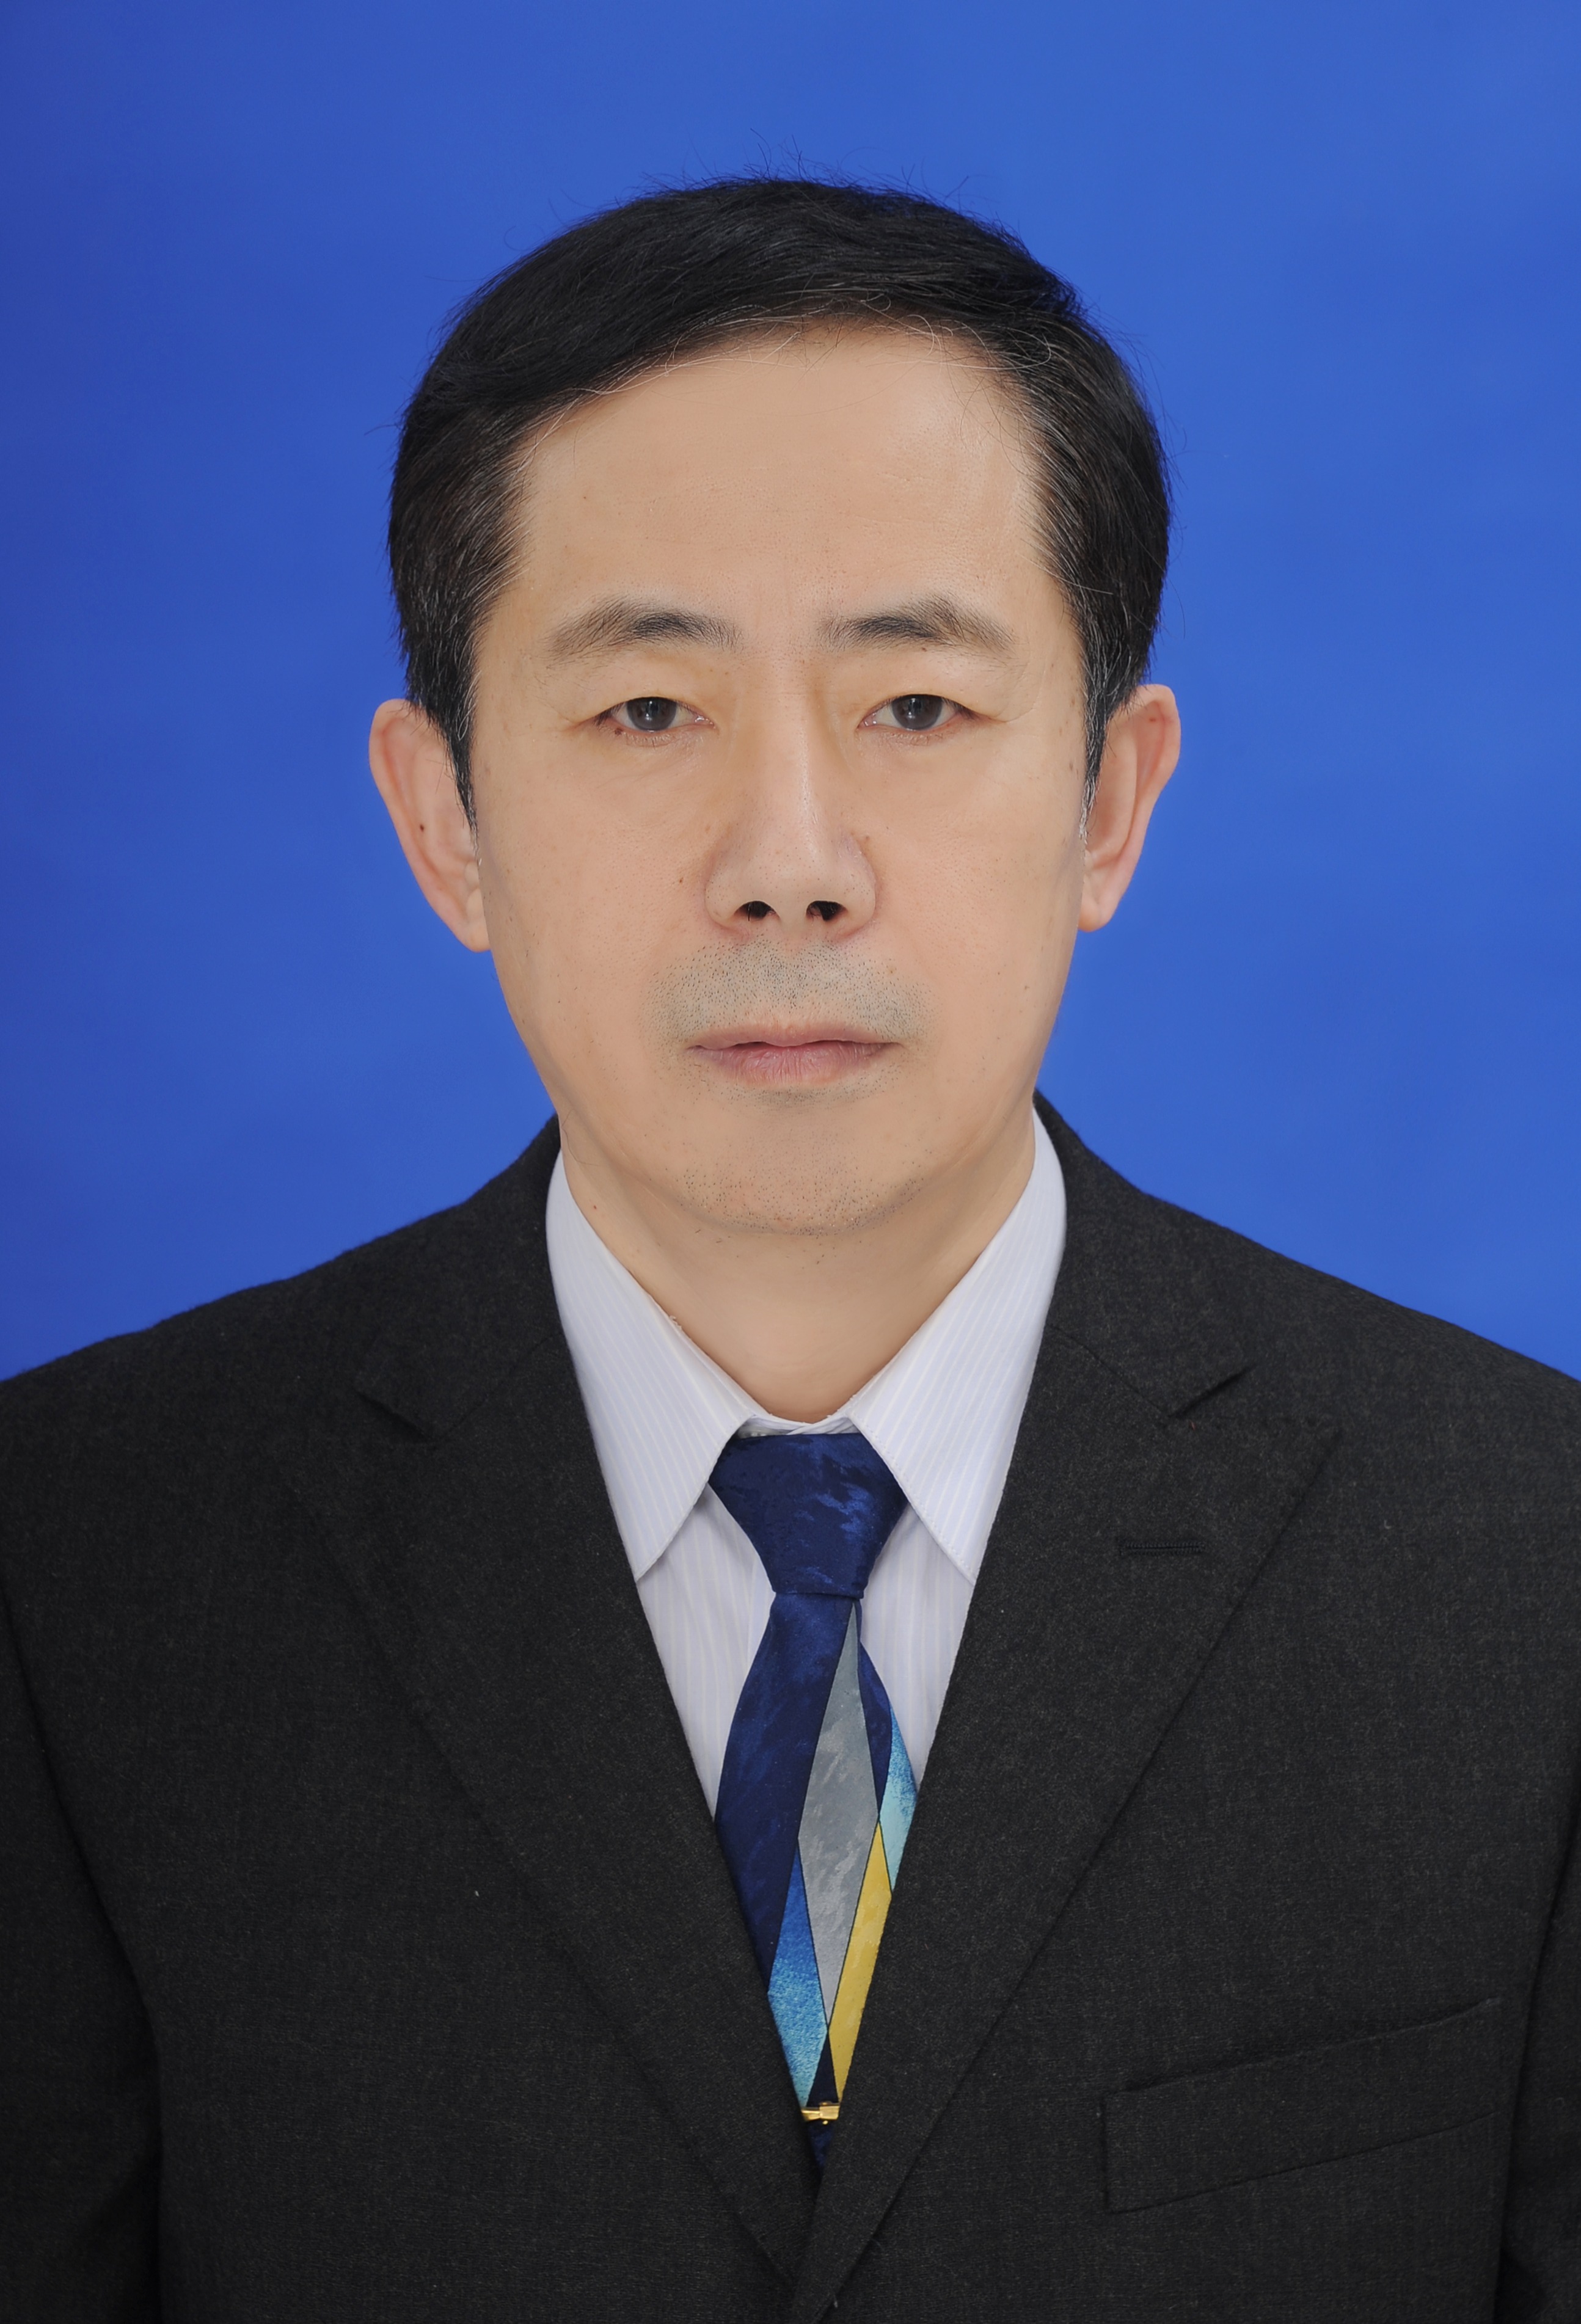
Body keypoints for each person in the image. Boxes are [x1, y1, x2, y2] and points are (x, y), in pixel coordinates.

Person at [2, 177, 1577, 2324]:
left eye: (912, 707)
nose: (789, 865)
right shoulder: (76, 1568)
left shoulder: (1526, 1572)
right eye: (648, 712)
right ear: (444, 818)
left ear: (1108, 801)